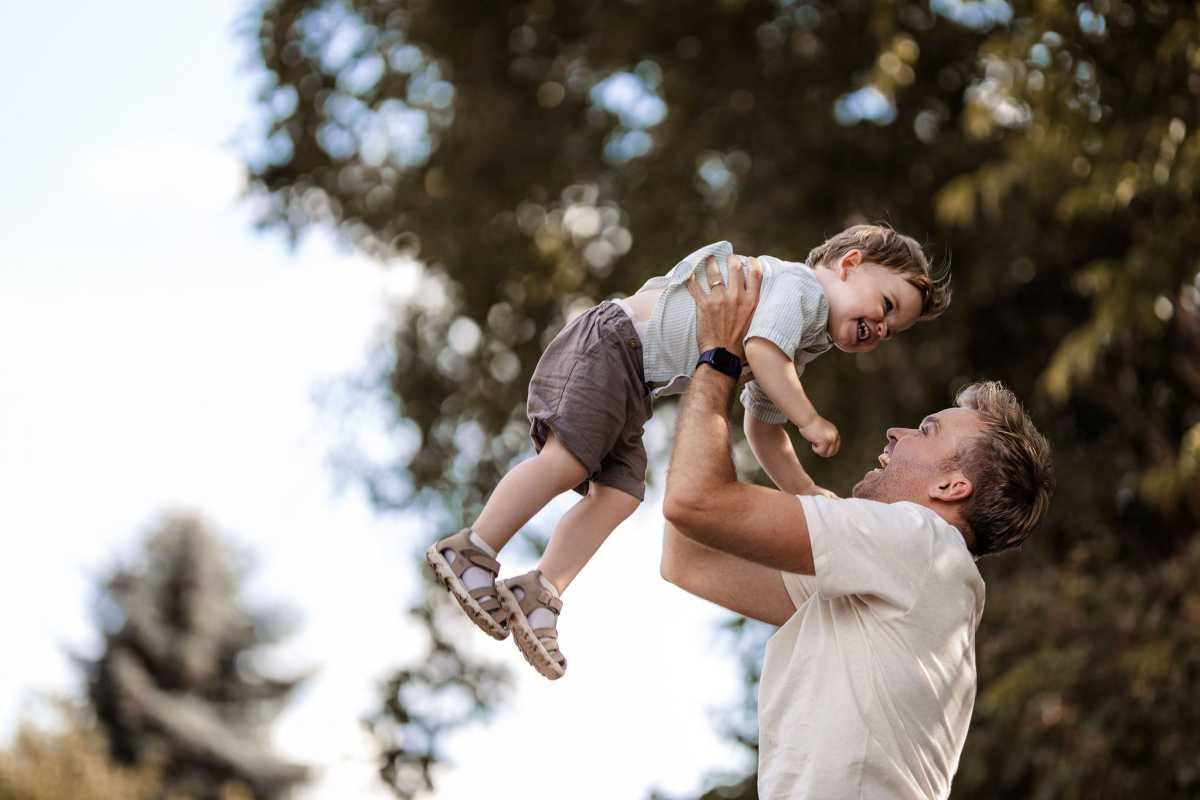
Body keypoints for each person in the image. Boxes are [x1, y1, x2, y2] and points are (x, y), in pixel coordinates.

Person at [427, 224, 951, 679]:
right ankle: (473, 547)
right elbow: (762, 351)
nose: (880, 329)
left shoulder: (800, 343)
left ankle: (540, 588)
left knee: (621, 495)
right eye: (886, 306)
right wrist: (810, 417)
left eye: (891, 330)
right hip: (613, 341)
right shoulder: (798, 289)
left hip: (636, 381)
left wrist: (806, 492)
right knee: (567, 462)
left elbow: (763, 427)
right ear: (849, 265)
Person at [660, 257, 1054, 799]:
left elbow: (695, 503)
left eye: (925, 430)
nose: (895, 433)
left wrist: (720, 357)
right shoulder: (899, 577)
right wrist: (728, 371)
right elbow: (690, 555)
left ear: (951, 487)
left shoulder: (919, 540)